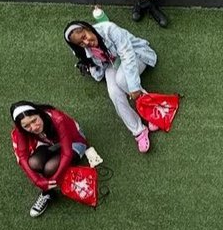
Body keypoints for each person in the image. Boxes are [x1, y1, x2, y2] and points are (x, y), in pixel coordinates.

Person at [64, 15, 158, 153]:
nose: (86, 42)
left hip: (136, 54)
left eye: (84, 36)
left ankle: (151, 110)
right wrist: (90, 67)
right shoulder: (81, 51)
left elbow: (127, 55)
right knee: (114, 92)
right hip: (112, 64)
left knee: (122, 79)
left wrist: (134, 87)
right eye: (81, 43)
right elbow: (98, 71)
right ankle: (138, 131)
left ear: (87, 28)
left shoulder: (109, 29)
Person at [11, 102, 92, 218]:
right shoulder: (21, 129)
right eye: (27, 126)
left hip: (74, 141)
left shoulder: (57, 119)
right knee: (34, 163)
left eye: (34, 120)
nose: (33, 127)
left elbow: (67, 153)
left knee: (49, 168)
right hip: (49, 142)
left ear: (39, 114)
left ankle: (47, 193)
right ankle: (48, 190)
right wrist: (37, 181)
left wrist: (53, 179)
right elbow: (22, 156)